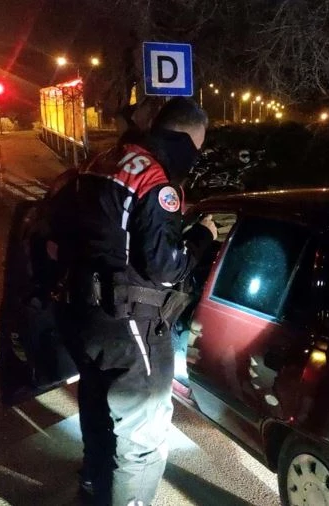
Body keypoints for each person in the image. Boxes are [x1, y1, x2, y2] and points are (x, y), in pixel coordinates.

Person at [50, 97, 217, 505]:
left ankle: (94, 487)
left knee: (97, 407)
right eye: (198, 148)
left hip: (81, 312)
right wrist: (202, 237)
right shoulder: (155, 181)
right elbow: (165, 267)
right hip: (129, 324)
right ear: (188, 138)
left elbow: (59, 226)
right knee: (142, 438)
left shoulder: (102, 160)